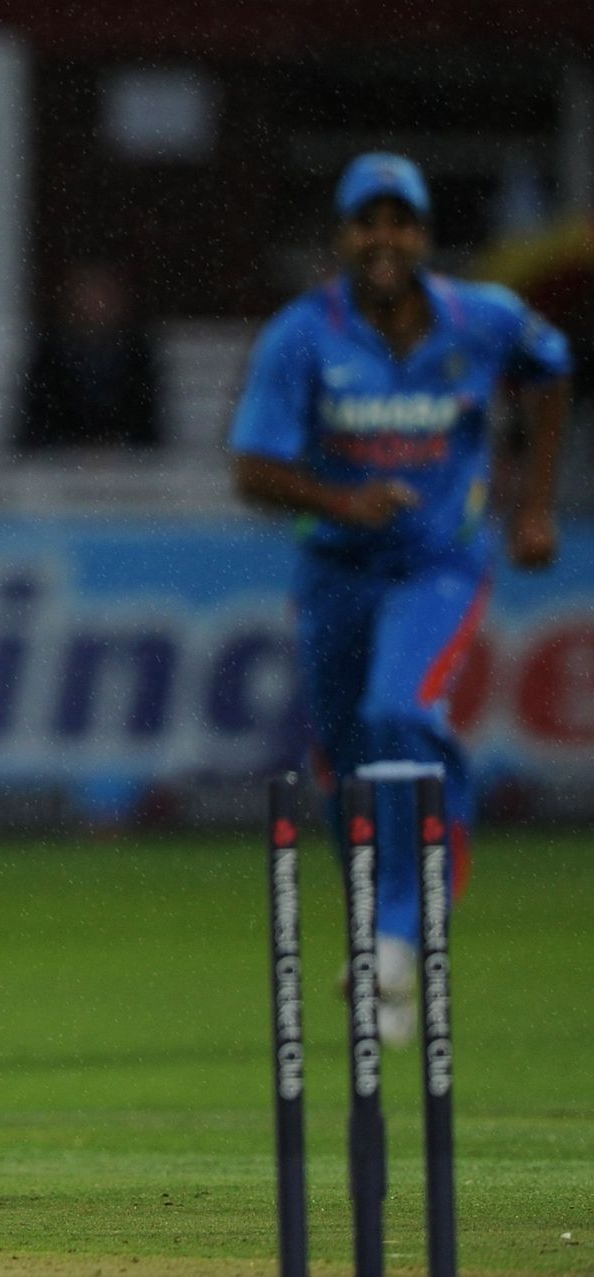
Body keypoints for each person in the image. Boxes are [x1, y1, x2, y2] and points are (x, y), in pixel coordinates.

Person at [229, 153, 571, 1044]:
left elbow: (553, 368)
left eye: (401, 222)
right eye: (366, 222)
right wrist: (344, 501)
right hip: (337, 571)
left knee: (400, 713)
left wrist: (533, 505)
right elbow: (253, 470)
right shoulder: (302, 337)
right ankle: (378, 933)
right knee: (344, 759)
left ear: (423, 235)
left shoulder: (482, 319)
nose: (384, 239)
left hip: (439, 565)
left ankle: (400, 933)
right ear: (342, 236)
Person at [15, 262, 163, 453]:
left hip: (126, 458)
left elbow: (145, 416)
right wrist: (75, 446)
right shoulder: (52, 352)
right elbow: (38, 415)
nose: (95, 305)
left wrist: (115, 442)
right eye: (89, 296)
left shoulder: (136, 353)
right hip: (59, 458)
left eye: (103, 296)